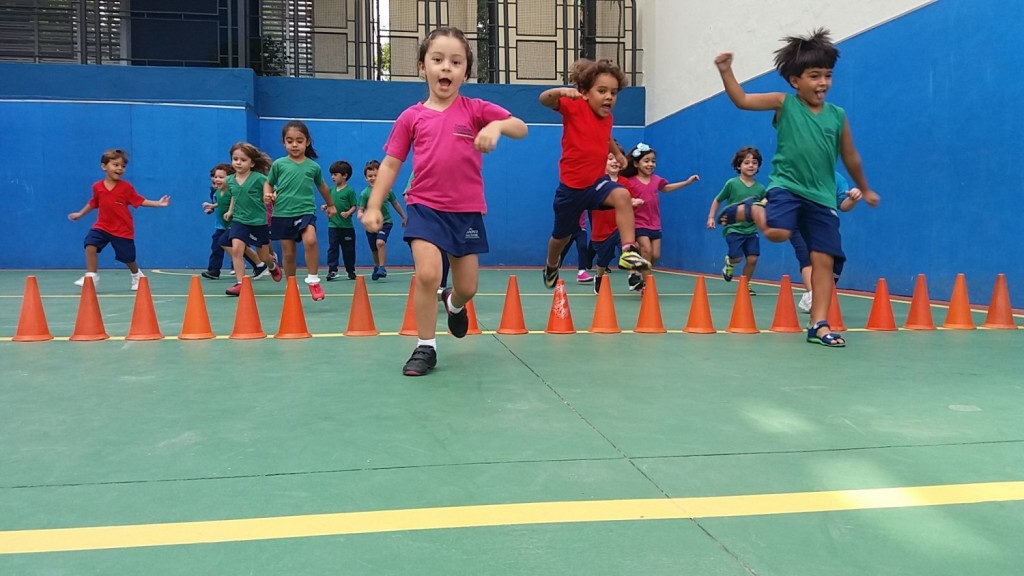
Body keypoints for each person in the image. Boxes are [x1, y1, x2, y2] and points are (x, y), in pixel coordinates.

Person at [362, 26, 527, 376]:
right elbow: (392, 163)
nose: (446, 68)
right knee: (428, 273)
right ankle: (425, 347)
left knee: (468, 287)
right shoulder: (411, 117)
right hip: (424, 206)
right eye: (437, 60)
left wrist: (496, 127)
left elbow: (520, 126)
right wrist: (375, 204)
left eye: (456, 62)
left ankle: (453, 304)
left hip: (466, 213)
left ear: (465, 72)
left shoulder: (476, 109)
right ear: (423, 66)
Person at [714, 28, 880, 347]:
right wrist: (726, 70)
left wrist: (864, 188)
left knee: (824, 260)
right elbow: (743, 100)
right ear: (795, 81)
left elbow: (851, 156)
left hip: (821, 197)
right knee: (777, 234)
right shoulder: (784, 104)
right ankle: (752, 209)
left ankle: (818, 324)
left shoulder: (837, 116)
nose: (823, 83)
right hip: (786, 187)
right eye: (814, 76)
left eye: (828, 76)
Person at [538, 57, 650, 290]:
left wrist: (617, 154)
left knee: (622, 196)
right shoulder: (574, 107)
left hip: (595, 184)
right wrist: (561, 92)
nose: (609, 96)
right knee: (562, 237)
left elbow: (605, 136)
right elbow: (544, 100)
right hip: (571, 189)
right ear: (585, 93)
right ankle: (550, 264)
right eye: (602, 91)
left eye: (614, 92)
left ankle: (628, 250)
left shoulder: (607, 118)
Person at [68, 148, 170, 290]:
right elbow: (93, 202)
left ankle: (136, 275)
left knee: (127, 257)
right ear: (104, 166)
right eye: (115, 165)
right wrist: (80, 214)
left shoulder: (126, 188)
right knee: (90, 244)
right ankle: (91, 275)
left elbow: (139, 200)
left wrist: (158, 203)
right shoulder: (97, 187)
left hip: (122, 229)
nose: (120, 168)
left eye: (123, 166)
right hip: (102, 226)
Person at [263, 120, 336, 301]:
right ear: (284, 143)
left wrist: (331, 204)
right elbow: (269, 183)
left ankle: (313, 280)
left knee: (310, 240)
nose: (294, 145)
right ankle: (291, 286)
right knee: (288, 253)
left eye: (299, 140)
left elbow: (323, 187)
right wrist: (267, 194)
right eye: (290, 141)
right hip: (283, 213)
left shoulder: (313, 167)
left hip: (305, 211)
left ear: (307, 142)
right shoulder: (279, 164)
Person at [620, 142, 700, 291]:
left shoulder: (657, 180)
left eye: (653, 161)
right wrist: (633, 202)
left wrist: (687, 182)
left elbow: (667, 188)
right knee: (647, 250)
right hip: (638, 223)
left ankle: (635, 270)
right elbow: (623, 200)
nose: (651, 164)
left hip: (654, 223)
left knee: (655, 255)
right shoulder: (630, 182)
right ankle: (647, 286)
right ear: (636, 163)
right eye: (647, 161)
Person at [792, 171, 863, 312]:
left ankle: (820, 293)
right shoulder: (799, 172)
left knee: (834, 261)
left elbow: (843, 205)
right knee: (806, 256)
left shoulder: (837, 178)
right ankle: (813, 296)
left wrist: (853, 198)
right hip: (799, 221)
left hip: (825, 223)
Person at [223, 143, 282, 295]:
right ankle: (240, 283)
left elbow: (272, 191)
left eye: (243, 159)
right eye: (235, 159)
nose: (238, 162)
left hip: (258, 222)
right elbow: (236, 196)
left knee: (263, 256)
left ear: (252, 163)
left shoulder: (259, 178)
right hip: (240, 220)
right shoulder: (229, 180)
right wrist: (230, 211)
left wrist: (271, 196)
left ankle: (272, 265)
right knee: (236, 249)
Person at [706, 147, 765, 294]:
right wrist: (711, 217)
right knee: (737, 258)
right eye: (746, 162)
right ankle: (729, 263)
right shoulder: (732, 183)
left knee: (753, 259)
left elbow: (763, 206)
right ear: (739, 166)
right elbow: (718, 200)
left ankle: (745, 284)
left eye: (754, 162)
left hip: (751, 229)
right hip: (733, 229)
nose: (751, 165)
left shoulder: (760, 188)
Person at [590, 147, 644, 295]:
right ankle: (599, 276)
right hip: (601, 229)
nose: (615, 162)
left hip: (619, 227)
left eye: (617, 159)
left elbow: (628, 199)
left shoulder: (625, 183)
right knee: (603, 259)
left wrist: (634, 202)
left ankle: (633, 276)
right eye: (610, 158)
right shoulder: (596, 181)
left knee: (630, 247)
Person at [201, 163, 266, 280]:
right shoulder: (216, 191)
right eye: (215, 177)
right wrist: (212, 207)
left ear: (231, 178)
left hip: (235, 224)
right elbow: (221, 203)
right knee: (218, 244)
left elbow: (234, 199)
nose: (217, 179)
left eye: (221, 177)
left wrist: (231, 211)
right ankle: (214, 270)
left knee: (229, 244)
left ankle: (255, 264)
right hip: (222, 225)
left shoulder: (232, 190)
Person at [357, 159, 407, 280]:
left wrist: (404, 217)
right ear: (366, 178)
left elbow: (395, 204)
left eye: (376, 175)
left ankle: (382, 267)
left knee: (380, 242)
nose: (373, 178)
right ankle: (377, 266)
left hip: (385, 223)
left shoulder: (387, 191)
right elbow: (361, 208)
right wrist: (360, 214)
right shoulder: (364, 194)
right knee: (374, 249)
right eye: (370, 176)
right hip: (371, 225)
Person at [322, 160, 358, 280]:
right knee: (333, 248)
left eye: (335, 174)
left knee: (348, 250)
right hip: (333, 226)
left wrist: (348, 213)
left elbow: (354, 206)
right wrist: (326, 206)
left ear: (345, 175)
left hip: (346, 228)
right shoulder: (331, 190)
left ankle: (350, 270)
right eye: (331, 174)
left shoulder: (350, 191)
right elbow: (330, 203)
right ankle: (332, 270)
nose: (332, 177)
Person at [558, 213, 595, 283]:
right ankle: (553, 271)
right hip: (567, 229)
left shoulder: (584, 201)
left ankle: (581, 272)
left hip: (581, 229)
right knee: (561, 251)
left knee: (583, 247)